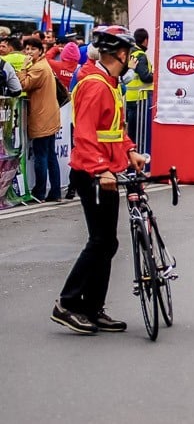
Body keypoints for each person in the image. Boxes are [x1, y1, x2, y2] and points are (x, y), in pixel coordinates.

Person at [51, 25, 147, 335]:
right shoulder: (95, 85)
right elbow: (85, 134)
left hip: (106, 168)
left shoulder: (108, 81)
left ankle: (92, 307)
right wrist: (101, 170)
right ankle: (67, 304)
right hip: (93, 173)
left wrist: (130, 150)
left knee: (108, 241)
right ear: (120, 53)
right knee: (100, 240)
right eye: (129, 53)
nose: (131, 58)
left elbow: (113, 130)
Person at [17, 37, 62, 202]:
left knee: (42, 156)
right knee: (50, 155)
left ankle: (40, 192)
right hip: (50, 115)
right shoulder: (43, 65)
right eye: (27, 49)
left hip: (42, 116)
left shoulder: (38, 68)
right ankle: (55, 192)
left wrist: (22, 68)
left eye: (32, 49)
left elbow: (23, 84)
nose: (28, 52)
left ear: (40, 51)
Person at [124, 28, 154, 157]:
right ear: (146, 40)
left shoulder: (130, 53)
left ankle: (131, 162)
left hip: (131, 99)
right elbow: (145, 76)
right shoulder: (140, 55)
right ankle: (139, 162)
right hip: (140, 100)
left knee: (132, 134)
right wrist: (156, 74)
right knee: (140, 135)